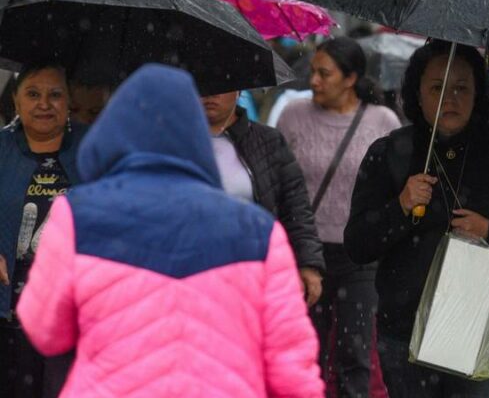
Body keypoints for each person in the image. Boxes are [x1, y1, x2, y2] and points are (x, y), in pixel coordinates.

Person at [16, 64, 323, 397]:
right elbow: (290, 364)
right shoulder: (259, 233)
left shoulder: (77, 217)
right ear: (195, 136)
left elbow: (45, 329)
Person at [345, 40, 489, 396]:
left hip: (487, 329)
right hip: (406, 330)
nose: (450, 98)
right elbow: (358, 244)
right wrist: (400, 206)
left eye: (462, 87)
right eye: (437, 87)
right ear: (418, 92)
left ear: (479, 94)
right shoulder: (391, 153)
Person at [279, 37, 400, 397]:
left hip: (359, 255)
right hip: (304, 252)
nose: (314, 80)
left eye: (324, 73)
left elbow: (393, 188)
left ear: (350, 79)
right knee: (306, 352)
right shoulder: (292, 116)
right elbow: (282, 184)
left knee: (354, 351)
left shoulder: (382, 121)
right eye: (313, 72)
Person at [0, 62, 87, 398]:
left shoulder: (93, 149)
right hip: (8, 319)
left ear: (68, 102)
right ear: (16, 102)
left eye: (55, 95)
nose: (44, 104)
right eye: (33, 94)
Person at [200, 89, 325, 307]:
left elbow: (295, 207)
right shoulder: (172, 141)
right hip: (193, 272)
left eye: (222, 85)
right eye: (202, 85)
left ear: (239, 91)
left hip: (254, 272)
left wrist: (308, 263)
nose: (211, 94)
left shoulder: (267, 142)